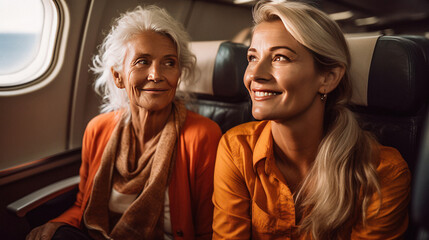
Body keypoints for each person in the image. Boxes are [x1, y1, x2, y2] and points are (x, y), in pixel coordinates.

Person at [212, 1, 410, 239]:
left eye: (280, 58)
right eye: (252, 57)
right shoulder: (236, 150)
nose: (254, 74)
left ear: (328, 78)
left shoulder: (381, 172)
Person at [27, 5, 221, 240]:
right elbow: (82, 205)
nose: (156, 75)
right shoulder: (98, 129)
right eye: (142, 62)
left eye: (169, 63)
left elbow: (207, 231)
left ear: (178, 74)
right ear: (118, 77)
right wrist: (56, 225)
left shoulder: (203, 135)